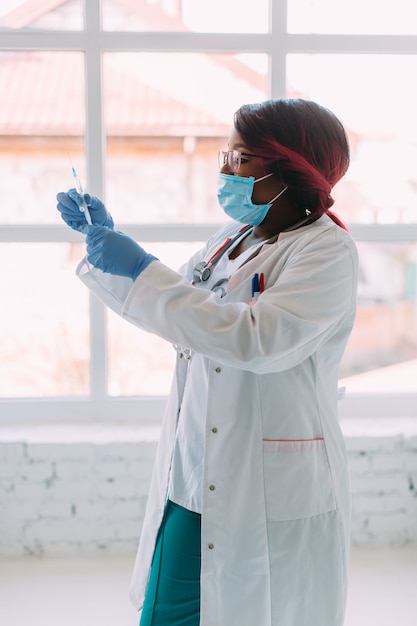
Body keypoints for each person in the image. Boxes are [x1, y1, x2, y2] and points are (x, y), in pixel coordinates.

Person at [57, 98, 358, 626]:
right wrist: (110, 251)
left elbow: (257, 341)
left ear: (288, 170)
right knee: (164, 613)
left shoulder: (326, 252)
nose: (225, 170)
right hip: (193, 472)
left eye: (240, 160)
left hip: (268, 486)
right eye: (228, 155)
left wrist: (144, 270)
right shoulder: (230, 240)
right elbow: (176, 313)